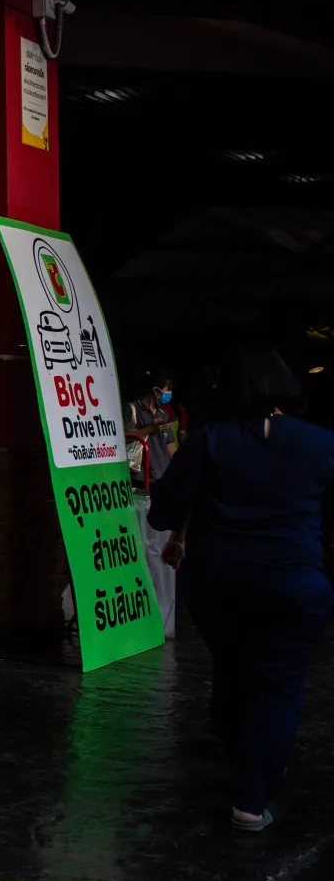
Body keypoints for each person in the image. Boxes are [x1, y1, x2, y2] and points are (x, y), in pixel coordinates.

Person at [149, 348, 334, 832]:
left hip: (218, 584)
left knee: (232, 667)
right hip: (294, 585)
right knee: (277, 688)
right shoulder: (320, 443)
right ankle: (251, 800)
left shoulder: (209, 440)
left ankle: (246, 754)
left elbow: (161, 512)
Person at [125, 371, 182, 637]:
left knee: (156, 547)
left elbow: (172, 449)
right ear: (154, 388)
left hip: (161, 480)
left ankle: (160, 614)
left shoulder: (166, 413)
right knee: (143, 545)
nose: (166, 395)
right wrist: (150, 429)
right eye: (165, 389)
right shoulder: (133, 409)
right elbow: (124, 437)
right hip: (141, 481)